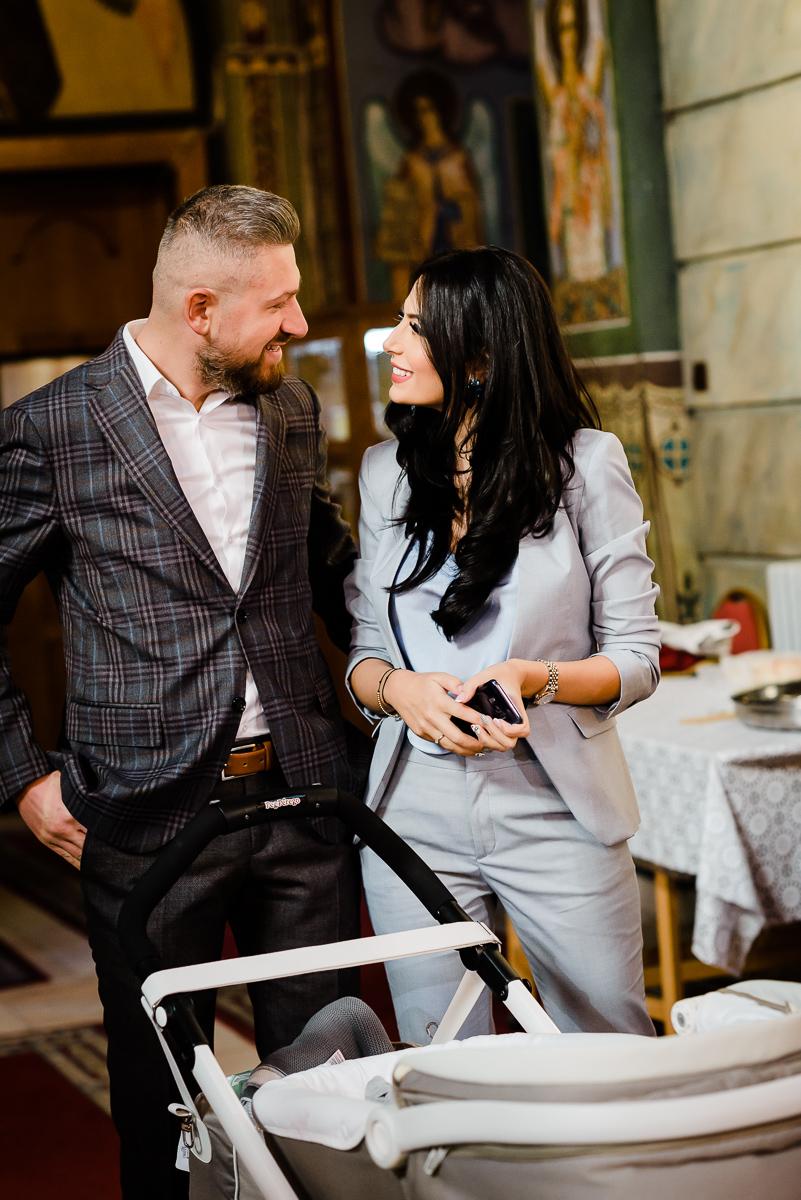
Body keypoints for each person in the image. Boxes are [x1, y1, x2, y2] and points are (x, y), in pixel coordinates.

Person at [0, 185, 362, 1199]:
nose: (299, 322)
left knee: (330, 1091)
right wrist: (24, 777)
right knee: (161, 1104)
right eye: (277, 303)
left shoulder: (289, 407)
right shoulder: (52, 428)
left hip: (302, 799)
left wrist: (402, 672)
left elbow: (329, 570)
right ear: (200, 309)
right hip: (145, 815)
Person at [345, 245, 659, 1041]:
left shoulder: (584, 466)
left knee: (606, 1044)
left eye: (415, 328)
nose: (391, 343)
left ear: (481, 358)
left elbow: (636, 657)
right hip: (412, 806)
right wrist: (398, 690)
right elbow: (364, 653)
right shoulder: (384, 473)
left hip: (553, 800)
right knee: (441, 1054)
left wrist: (532, 677)